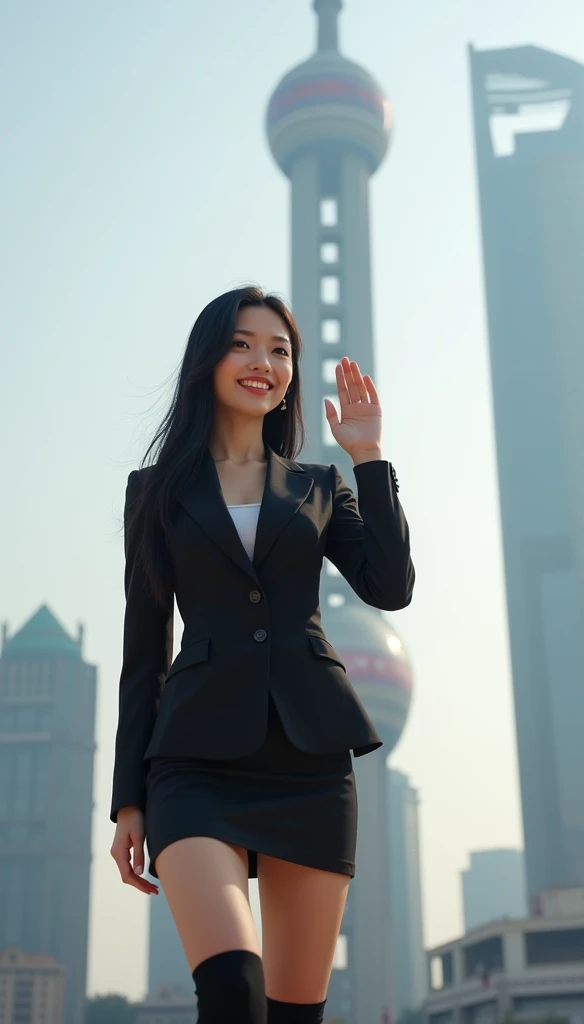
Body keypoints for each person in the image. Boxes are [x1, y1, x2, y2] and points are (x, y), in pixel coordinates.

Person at [109, 285, 415, 1023]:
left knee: (292, 1014)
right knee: (231, 990)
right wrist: (128, 800)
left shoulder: (318, 485)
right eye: (244, 343)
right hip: (193, 765)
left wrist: (369, 457)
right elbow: (144, 652)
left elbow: (391, 586)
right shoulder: (154, 493)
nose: (263, 362)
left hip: (308, 767)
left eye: (280, 351)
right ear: (207, 360)